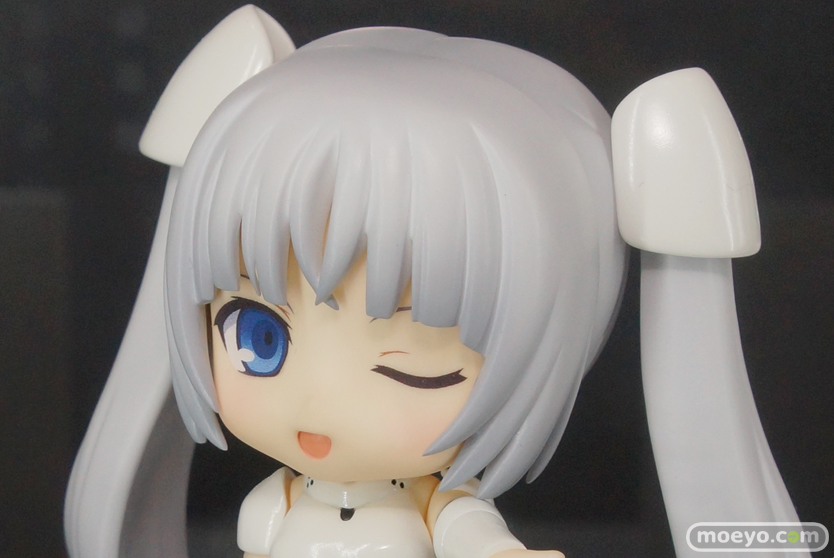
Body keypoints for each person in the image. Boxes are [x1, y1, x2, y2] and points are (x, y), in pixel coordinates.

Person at [65, 6, 804, 558]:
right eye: (260, 339)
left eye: (409, 371)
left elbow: (474, 537)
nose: (316, 406)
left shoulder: (437, 510)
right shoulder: (279, 498)